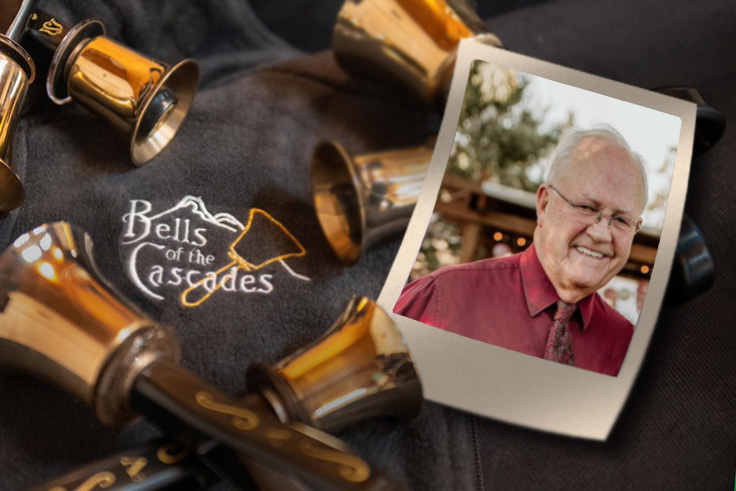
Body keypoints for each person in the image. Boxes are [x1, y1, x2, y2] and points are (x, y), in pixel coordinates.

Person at [394, 126, 648, 376]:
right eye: (586, 207)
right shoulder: (440, 299)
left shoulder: (629, 352)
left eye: (622, 220)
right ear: (544, 204)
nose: (602, 233)